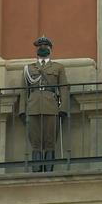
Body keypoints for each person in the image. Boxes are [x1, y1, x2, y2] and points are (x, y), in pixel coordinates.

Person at [19, 35, 69, 172]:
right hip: (33, 105)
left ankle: (48, 170)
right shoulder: (28, 69)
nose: (42, 48)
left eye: (45, 46)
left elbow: (64, 87)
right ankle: (36, 169)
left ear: (50, 49)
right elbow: (24, 90)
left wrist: (63, 108)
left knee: (50, 139)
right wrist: (22, 110)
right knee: (35, 140)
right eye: (39, 46)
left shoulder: (58, 67)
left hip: (51, 105)